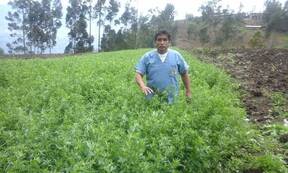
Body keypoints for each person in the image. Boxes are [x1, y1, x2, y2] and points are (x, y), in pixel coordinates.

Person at [135, 30, 191, 104]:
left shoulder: (176, 56)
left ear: (169, 42)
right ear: (155, 42)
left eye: (165, 40)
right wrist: (143, 86)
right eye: (159, 40)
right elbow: (138, 75)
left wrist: (188, 90)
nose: (162, 42)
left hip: (172, 98)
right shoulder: (147, 57)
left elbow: (184, 73)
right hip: (152, 98)